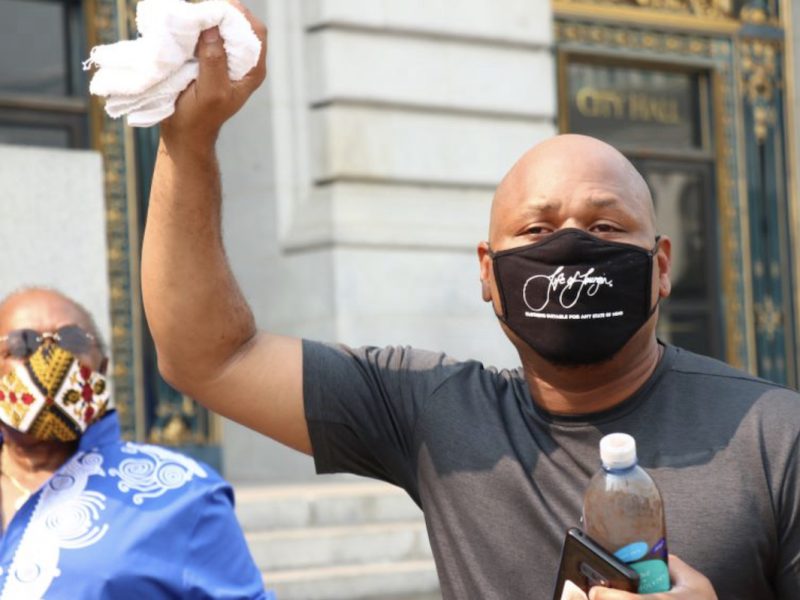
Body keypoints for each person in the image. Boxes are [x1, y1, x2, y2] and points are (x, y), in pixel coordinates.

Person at [140, 5, 800, 600]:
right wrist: (188, 140)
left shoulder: (775, 436)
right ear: (488, 273)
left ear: (660, 267)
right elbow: (208, 356)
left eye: (604, 227)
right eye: (538, 231)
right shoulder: (436, 418)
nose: (570, 248)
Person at [0, 287, 270, 599]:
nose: (48, 359)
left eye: (72, 340)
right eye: (22, 345)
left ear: (102, 369)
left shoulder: (182, 493)